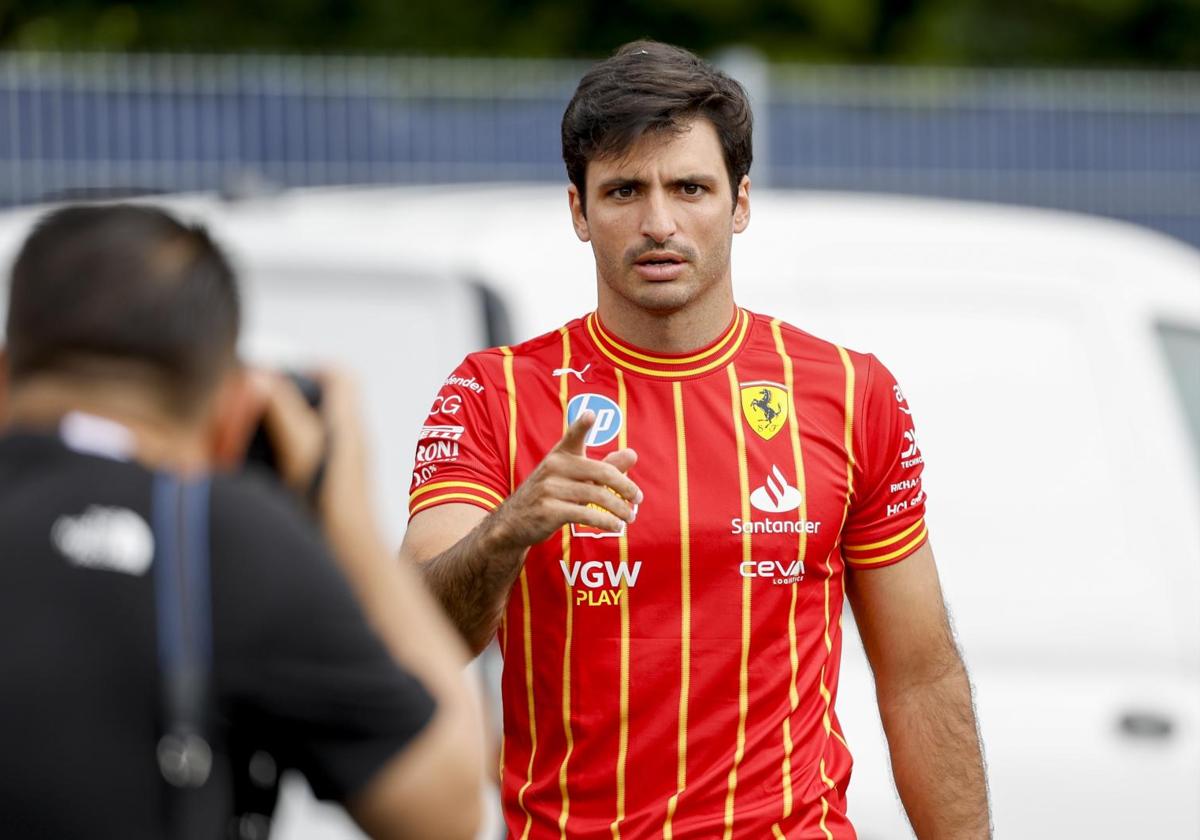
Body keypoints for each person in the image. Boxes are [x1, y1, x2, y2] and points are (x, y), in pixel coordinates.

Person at [400, 41, 990, 839]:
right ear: (578, 210)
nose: (659, 223)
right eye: (622, 190)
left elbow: (920, 676)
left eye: (689, 188)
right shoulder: (495, 393)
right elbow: (413, 644)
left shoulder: (851, 393)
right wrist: (509, 532)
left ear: (740, 202)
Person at [0, 204, 483, 839]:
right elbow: (446, 806)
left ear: (6, 369)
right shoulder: (225, 539)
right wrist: (344, 512)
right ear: (231, 413)